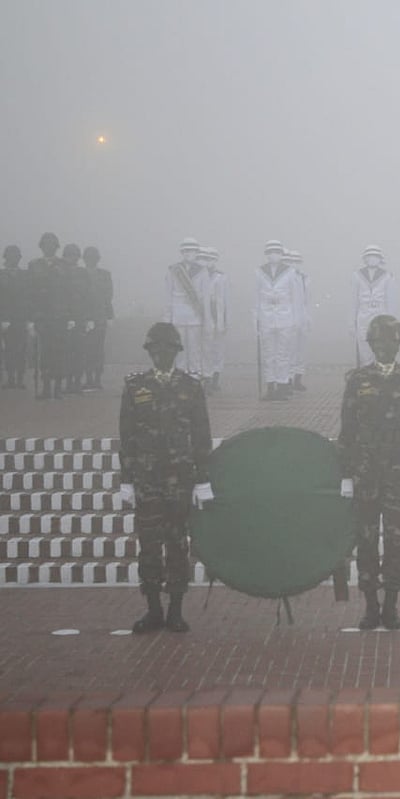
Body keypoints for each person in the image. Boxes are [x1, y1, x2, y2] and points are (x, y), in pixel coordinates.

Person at [118, 322, 213, 634]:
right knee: (148, 546)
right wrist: (127, 480)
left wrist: (203, 479)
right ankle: (153, 610)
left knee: (176, 545)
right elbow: (127, 434)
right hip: (147, 480)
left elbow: (201, 435)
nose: (162, 355)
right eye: (156, 349)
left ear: (175, 352)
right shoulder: (135, 387)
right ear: (149, 352)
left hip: (180, 479)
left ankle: (175, 610)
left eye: (168, 349)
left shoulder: (190, 386)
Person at [337, 315, 400, 630]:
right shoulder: (357, 380)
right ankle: (370, 607)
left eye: (390, 342)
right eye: (378, 343)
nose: (384, 348)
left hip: (397, 473)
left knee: (395, 540)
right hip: (365, 473)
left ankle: (391, 606)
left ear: (398, 344)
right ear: (371, 345)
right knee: (367, 540)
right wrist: (346, 473)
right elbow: (347, 429)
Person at [254, 240, 305, 401]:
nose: (273, 255)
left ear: (281, 254)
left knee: (283, 353)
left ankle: (282, 385)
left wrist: (297, 320)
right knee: (269, 354)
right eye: (270, 252)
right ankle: (270, 386)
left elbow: (297, 298)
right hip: (266, 316)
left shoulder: (290, 272)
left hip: (285, 316)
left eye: (276, 252)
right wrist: (255, 320)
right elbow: (256, 298)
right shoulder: (259, 272)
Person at [27, 232, 70, 400]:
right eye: (46, 244)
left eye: (52, 244)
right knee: (44, 352)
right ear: (42, 246)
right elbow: (29, 293)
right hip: (42, 315)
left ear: (56, 246)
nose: (49, 247)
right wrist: (30, 318)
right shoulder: (34, 265)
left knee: (59, 352)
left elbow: (71, 292)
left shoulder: (65, 265)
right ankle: (46, 387)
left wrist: (71, 315)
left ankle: (58, 388)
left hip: (60, 315)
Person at [163, 237, 209, 378]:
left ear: (196, 253)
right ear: (181, 252)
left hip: (195, 315)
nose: (188, 253)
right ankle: (181, 378)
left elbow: (205, 297)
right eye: (185, 251)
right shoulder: (174, 270)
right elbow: (168, 295)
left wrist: (206, 318)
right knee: (180, 350)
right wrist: (167, 318)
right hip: (178, 315)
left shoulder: (203, 271)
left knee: (195, 350)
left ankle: (195, 378)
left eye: (191, 251)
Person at [352, 245, 399, 367]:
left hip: (381, 313)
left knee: (380, 346)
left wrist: (392, 322)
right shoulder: (357, 275)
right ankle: (364, 378)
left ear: (380, 259)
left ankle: (378, 379)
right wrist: (351, 322)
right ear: (365, 258)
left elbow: (391, 301)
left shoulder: (388, 276)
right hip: (363, 313)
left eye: (375, 256)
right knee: (363, 347)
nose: (372, 259)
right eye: (369, 256)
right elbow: (353, 300)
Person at [81, 246, 113, 391]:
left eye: (93, 257)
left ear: (97, 259)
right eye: (89, 257)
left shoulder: (105, 275)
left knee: (98, 349)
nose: (91, 260)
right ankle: (88, 378)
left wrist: (109, 315)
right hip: (84, 317)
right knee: (86, 349)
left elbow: (108, 296)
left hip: (100, 316)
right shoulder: (79, 274)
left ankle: (97, 379)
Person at [61, 243, 91, 395]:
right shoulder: (59, 272)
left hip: (80, 317)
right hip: (62, 317)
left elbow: (88, 295)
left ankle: (77, 381)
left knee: (79, 351)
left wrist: (87, 318)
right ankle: (67, 381)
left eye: (74, 255)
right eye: (69, 255)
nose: (72, 258)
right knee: (65, 352)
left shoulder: (83, 273)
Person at [0, 245, 31, 389]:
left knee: (21, 349)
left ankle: (19, 378)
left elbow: (30, 298)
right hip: (5, 318)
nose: (14, 259)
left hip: (21, 318)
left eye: (16, 256)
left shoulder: (26, 275)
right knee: (9, 349)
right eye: (10, 256)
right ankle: (11, 378)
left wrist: (30, 319)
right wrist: (3, 318)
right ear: (6, 258)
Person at [201, 247, 229, 393]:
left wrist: (222, 321)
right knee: (205, 349)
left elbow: (223, 300)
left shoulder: (220, 276)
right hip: (204, 314)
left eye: (211, 259)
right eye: (206, 259)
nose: (208, 262)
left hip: (217, 313)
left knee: (218, 349)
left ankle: (215, 378)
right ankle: (206, 378)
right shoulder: (199, 274)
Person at [287, 250, 310, 392]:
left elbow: (307, 301)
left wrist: (308, 318)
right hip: (290, 317)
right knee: (289, 351)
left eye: (297, 261)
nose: (295, 264)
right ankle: (288, 379)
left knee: (301, 350)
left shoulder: (305, 278)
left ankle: (298, 378)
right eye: (292, 261)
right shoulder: (286, 278)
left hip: (302, 316)